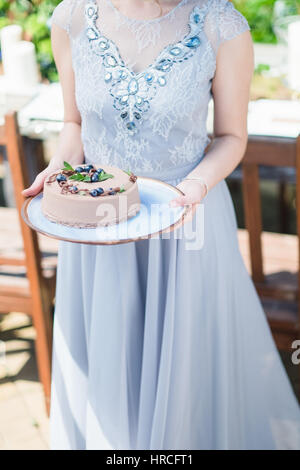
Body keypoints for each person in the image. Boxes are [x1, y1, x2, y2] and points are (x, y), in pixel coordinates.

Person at [23, 0, 300, 450]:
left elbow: (232, 136)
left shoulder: (221, 24)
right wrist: (59, 173)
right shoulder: (70, 17)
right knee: (111, 366)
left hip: (185, 222)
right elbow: (74, 123)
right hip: (98, 227)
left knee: (184, 373)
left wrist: (193, 188)